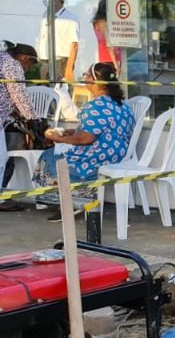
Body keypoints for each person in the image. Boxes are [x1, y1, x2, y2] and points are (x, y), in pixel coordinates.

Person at [36, 62, 135, 221]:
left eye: (87, 75)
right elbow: (97, 130)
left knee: (50, 157)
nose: (85, 78)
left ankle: (71, 202)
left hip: (99, 156)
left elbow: (85, 139)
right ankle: (73, 199)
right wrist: (68, 133)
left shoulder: (97, 105)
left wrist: (57, 137)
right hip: (118, 155)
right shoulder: (122, 105)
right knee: (58, 155)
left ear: (96, 81)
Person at [1, 42, 40, 210]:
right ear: (24, 58)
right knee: (1, 160)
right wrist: (33, 119)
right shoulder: (13, 65)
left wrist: (14, 111)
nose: (28, 70)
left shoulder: (2, 58)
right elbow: (20, 96)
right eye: (30, 66)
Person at [36, 0, 80, 83]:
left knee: (61, 91)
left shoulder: (70, 18)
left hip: (60, 62)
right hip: (44, 61)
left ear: (58, 0)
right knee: (45, 92)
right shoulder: (45, 15)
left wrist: (69, 68)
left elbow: (75, 45)